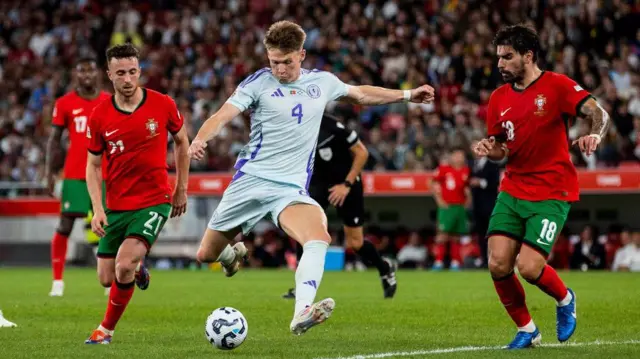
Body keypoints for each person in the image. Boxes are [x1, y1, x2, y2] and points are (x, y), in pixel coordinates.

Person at [188, 20, 434, 335]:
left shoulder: (322, 82)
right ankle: (231, 256)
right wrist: (200, 139)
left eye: (287, 62)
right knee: (205, 254)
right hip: (251, 180)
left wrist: (408, 94)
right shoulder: (257, 83)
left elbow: (360, 94)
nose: (280, 69)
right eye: (274, 61)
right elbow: (222, 115)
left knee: (318, 238)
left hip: (289, 189)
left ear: (302, 55)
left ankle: (302, 311)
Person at [473, 24, 609, 349]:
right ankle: (527, 329)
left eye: (507, 57)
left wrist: (595, 134)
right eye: (498, 57)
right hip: (513, 187)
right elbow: (503, 150)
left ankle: (565, 299)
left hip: (552, 190)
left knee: (530, 267)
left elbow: (598, 112)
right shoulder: (498, 98)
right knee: (497, 263)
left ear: (528, 56)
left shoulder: (557, 86)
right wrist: (492, 151)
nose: (500, 64)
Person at [84, 43, 190, 344]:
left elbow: (182, 142)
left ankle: (105, 331)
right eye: (121, 73)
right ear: (109, 75)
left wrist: (180, 188)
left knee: (124, 264)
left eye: (132, 72)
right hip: (116, 206)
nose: (128, 79)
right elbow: (92, 166)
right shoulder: (100, 115)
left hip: (153, 201)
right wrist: (98, 208)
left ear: (139, 71)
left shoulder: (163, 104)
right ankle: (140, 270)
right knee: (107, 277)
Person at [282, 114, 397, 300]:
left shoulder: (333, 127)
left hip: (346, 184)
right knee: (304, 232)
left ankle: (385, 268)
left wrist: (346, 185)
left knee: (356, 243)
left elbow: (362, 153)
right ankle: (301, 287)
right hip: (319, 185)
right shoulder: (295, 127)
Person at [45, 58, 111, 297]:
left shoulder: (108, 101)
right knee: (65, 225)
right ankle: (58, 282)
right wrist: (49, 173)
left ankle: (110, 279)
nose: (86, 75)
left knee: (110, 226)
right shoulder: (65, 103)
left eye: (90, 70)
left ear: (98, 74)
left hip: (105, 174)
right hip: (74, 174)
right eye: (81, 70)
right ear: (76, 74)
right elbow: (54, 141)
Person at [430, 148, 471, 270]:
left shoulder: (466, 171)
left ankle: (455, 262)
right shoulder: (444, 169)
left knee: (456, 236)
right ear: (452, 157)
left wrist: (468, 201)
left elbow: (467, 189)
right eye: (457, 155)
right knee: (442, 235)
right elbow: (432, 183)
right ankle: (438, 262)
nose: (459, 158)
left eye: (461, 155)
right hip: (447, 207)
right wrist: (439, 200)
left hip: (460, 207)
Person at [469, 138, 501, 267]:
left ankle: (493, 258)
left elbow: (495, 183)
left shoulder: (493, 164)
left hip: (489, 205)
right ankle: (483, 259)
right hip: (477, 207)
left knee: (491, 234)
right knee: (480, 234)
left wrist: (481, 183)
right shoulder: (471, 164)